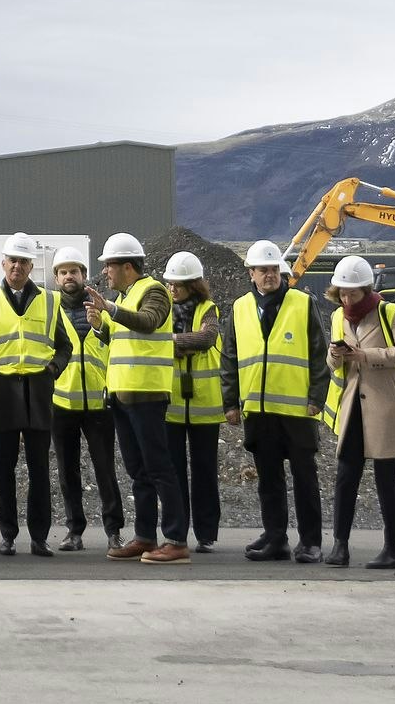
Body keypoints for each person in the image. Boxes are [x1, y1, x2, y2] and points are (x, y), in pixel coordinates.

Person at [0, 233, 69, 556]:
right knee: (3, 468)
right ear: (3, 263)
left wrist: (52, 371)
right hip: (2, 392)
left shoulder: (50, 300)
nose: (17, 267)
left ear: (31, 266)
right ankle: (8, 534)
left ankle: (39, 537)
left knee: (39, 470)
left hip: (37, 392)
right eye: (13, 261)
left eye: (23, 262)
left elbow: (65, 345)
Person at [92, 233, 189, 565]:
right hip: (123, 394)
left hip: (147, 393)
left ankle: (175, 540)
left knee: (159, 466)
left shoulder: (154, 291)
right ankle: (145, 536)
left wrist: (110, 309)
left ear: (127, 266)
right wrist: (98, 326)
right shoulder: (129, 293)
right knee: (138, 470)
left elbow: (149, 323)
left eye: (109, 266)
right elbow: (121, 338)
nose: (105, 272)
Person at [230, 240, 328, 563]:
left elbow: (318, 353)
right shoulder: (240, 308)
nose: (269, 275)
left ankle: (310, 541)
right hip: (258, 411)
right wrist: (230, 402)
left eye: (274, 269)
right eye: (263, 270)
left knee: (304, 478)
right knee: (269, 479)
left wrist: (317, 397)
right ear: (251, 274)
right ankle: (276, 538)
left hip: (298, 410)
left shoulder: (301, 304)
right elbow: (230, 359)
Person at [324, 254, 395, 570]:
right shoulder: (339, 316)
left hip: (385, 407)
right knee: (345, 477)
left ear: (366, 289)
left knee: (386, 480)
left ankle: (393, 548)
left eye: (353, 292)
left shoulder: (388, 312)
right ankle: (340, 546)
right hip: (352, 407)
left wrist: (366, 355)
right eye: (342, 292)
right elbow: (334, 364)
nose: (347, 298)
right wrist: (336, 356)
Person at [52, 247, 120, 551]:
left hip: (98, 404)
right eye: (64, 272)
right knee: (68, 471)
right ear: (56, 278)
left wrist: (100, 326)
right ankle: (74, 530)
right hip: (61, 403)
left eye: (74, 271)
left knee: (105, 469)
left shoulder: (104, 307)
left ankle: (113, 531)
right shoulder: (49, 309)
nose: (69, 276)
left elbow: (114, 346)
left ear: (84, 275)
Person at [164, 251, 228, 553]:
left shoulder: (208, 309)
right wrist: (186, 342)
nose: (173, 289)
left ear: (193, 284)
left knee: (204, 472)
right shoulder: (162, 310)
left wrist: (174, 343)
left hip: (204, 405)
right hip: (171, 405)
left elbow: (207, 339)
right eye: (170, 283)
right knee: (173, 473)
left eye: (179, 284)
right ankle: (176, 533)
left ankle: (206, 534)